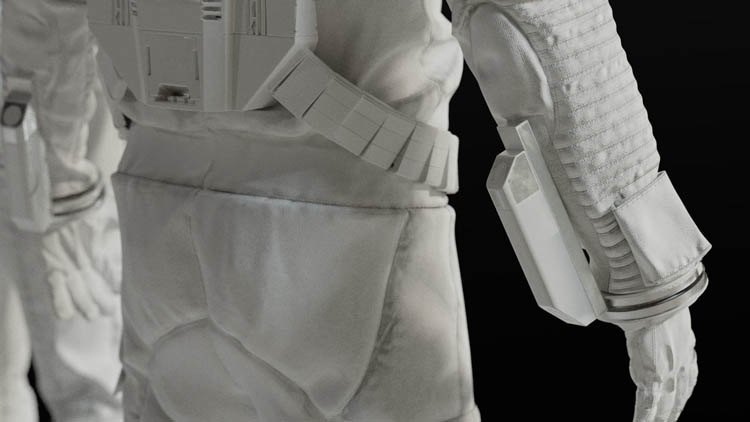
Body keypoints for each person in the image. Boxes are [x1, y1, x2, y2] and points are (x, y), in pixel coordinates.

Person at [2, 1, 712, 421]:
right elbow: (534, 33)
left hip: (159, 238)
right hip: (347, 247)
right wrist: (647, 282)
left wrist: (59, 207)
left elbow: (38, 36)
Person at [0, 0, 124, 420]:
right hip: (45, 115)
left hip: (51, 122)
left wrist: (58, 181)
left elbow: (48, 11)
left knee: (83, 376)